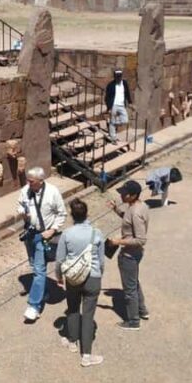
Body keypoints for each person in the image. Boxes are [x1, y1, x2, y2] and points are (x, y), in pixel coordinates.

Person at [55, 198, 105, 367]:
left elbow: (60, 260)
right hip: (93, 277)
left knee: (73, 308)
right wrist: (99, 275)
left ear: (71, 215)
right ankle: (87, 356)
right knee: (88, 315)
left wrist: (59, 277)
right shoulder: (96, 233)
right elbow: (102, 260)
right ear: (87, 214)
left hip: (73, 278)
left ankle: (72, 341)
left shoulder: (67, 234)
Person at [16, 166, 67, 321]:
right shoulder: (26, 190)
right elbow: (19, 204)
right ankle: (43, 291)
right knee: (35, 265)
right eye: (28, 180)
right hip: (30, 233)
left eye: (31, 181)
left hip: (44, 236)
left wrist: (52, 230)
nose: (28, 183)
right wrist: (22, 212)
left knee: (38, 269)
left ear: (41, 181)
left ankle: (34, 306)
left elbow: (62, 213)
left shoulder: (53, 192)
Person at [108, 180, 149, 330]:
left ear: (133, 196)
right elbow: (128, 218)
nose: (122, 196)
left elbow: (141, 239)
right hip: (134, 254)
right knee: (134, 283)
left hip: (129, 255)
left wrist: (118, 241)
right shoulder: (139, 206)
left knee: (129, 289)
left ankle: (133, 321)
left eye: (125, 194)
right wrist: (116, 209)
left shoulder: (136, 212)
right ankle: (142, 310)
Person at [105, 69, 133, 143]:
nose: (119, 78)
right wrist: (109, 107)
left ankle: (112, 123)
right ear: (114, 77)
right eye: (117, 77)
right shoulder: (110, 85)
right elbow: (107, 97)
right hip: (113, 105)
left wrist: (130, 102)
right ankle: (113, 138)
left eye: (120, 77)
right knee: (113, 120)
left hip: (121, 105)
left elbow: (127, 93)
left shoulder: (124, 83)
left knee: (125, 120)